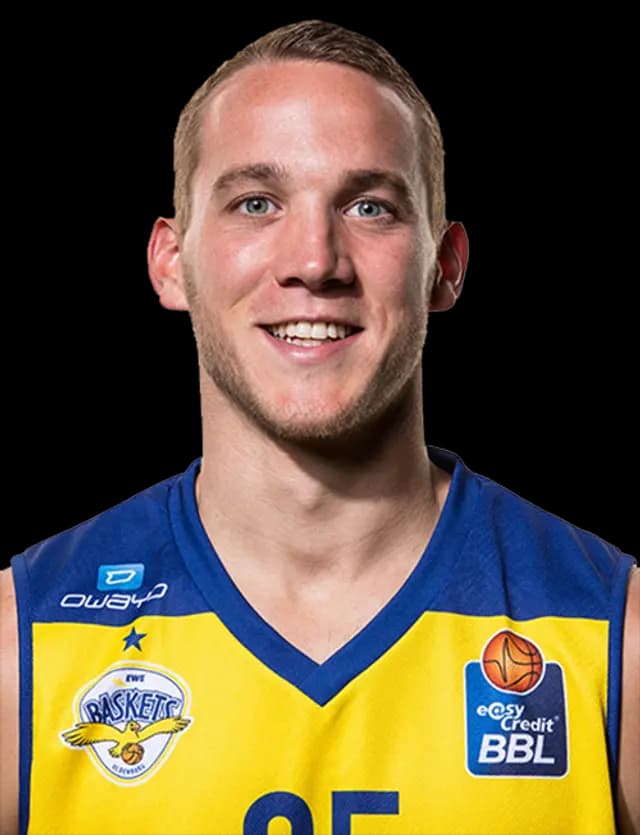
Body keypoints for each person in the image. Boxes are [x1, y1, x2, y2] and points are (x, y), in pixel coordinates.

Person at [0, 18, 637, 835]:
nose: (314, 260)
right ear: (171, 262)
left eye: (370, 207)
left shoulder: (612, 633)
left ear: (444, 267)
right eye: (255, 203)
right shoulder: (26, 640)